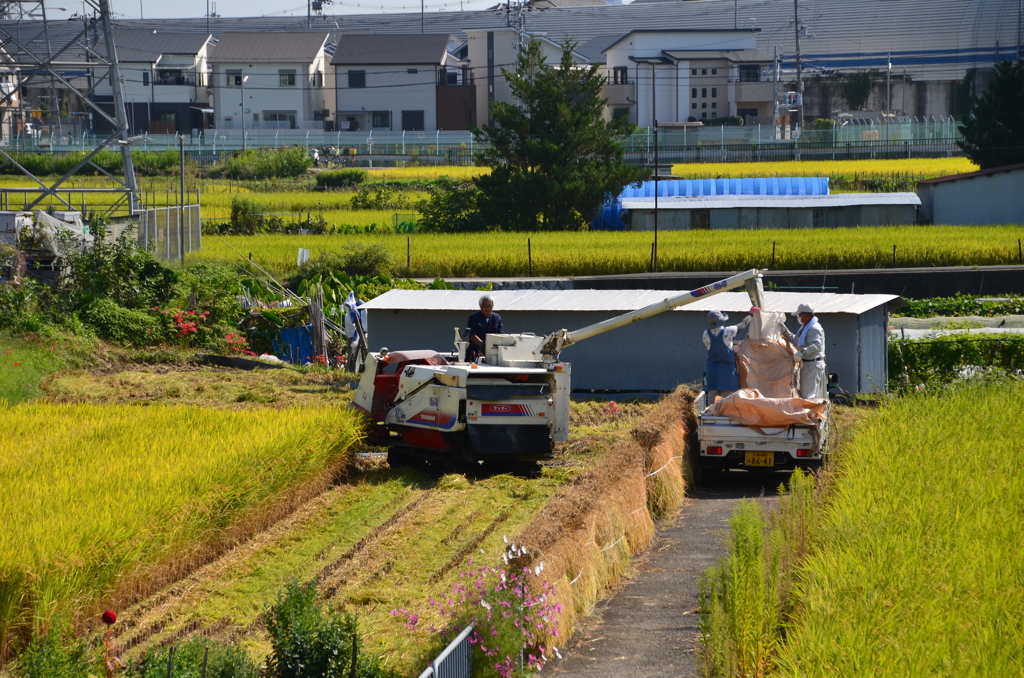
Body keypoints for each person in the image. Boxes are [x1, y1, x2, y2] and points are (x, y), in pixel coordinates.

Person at [703, 307, 758, 403]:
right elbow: (743, 324)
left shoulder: (705, 334)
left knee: (712, 400)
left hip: (712, 371)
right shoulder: (728, 331)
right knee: (728, 400)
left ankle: (710, 416)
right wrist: (751, 314)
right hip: (727, 371)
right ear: (721, 320)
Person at [782, 303, 826, 399]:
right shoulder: (805, 328)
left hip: (812, 365)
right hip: (808, 365)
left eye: (799, 315)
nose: (798, 317)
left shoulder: (814, 328)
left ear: (806, 315)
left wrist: (802, 352)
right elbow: (797, 341)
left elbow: (817, 346)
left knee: (809, 396)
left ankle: (810, 414)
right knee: (806, 394)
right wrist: (785, 331)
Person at [466, 294, 503, 362]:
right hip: (475, 352)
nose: (488, 309)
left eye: (490, 306)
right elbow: (472, 335)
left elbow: (500, 335)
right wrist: (483, 345)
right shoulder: (473, 317)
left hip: (493, 352)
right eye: (485, 306)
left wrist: (492, 347)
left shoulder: (497, 318)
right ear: (480, 306)